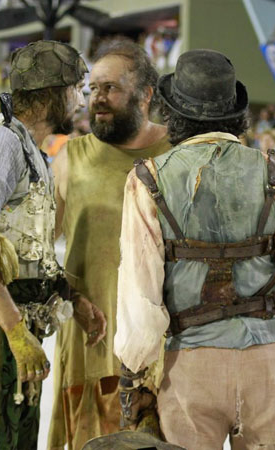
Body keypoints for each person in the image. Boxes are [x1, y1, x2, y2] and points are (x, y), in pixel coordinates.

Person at [114, 49, 275, 450]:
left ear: (173, 113)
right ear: (236, 112)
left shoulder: (147, 180)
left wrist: (133, 379)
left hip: (189, 368)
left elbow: (140, 294)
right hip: (269, 363)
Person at [0, 41, 106, 450]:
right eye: (75, 90)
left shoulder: (30, 148)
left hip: (16, 327)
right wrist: (14, 331)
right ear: (51, 96)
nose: (80, 101)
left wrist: (69, 296)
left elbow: (28, 248)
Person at [47, 40, 172, 450]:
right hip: (89, 340)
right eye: (92, 89)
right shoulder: (71, 158)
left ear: (146, 94)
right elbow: (40, 245)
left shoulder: (176, 154)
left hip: (162, 348)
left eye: (110, 88)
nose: (97, 99)